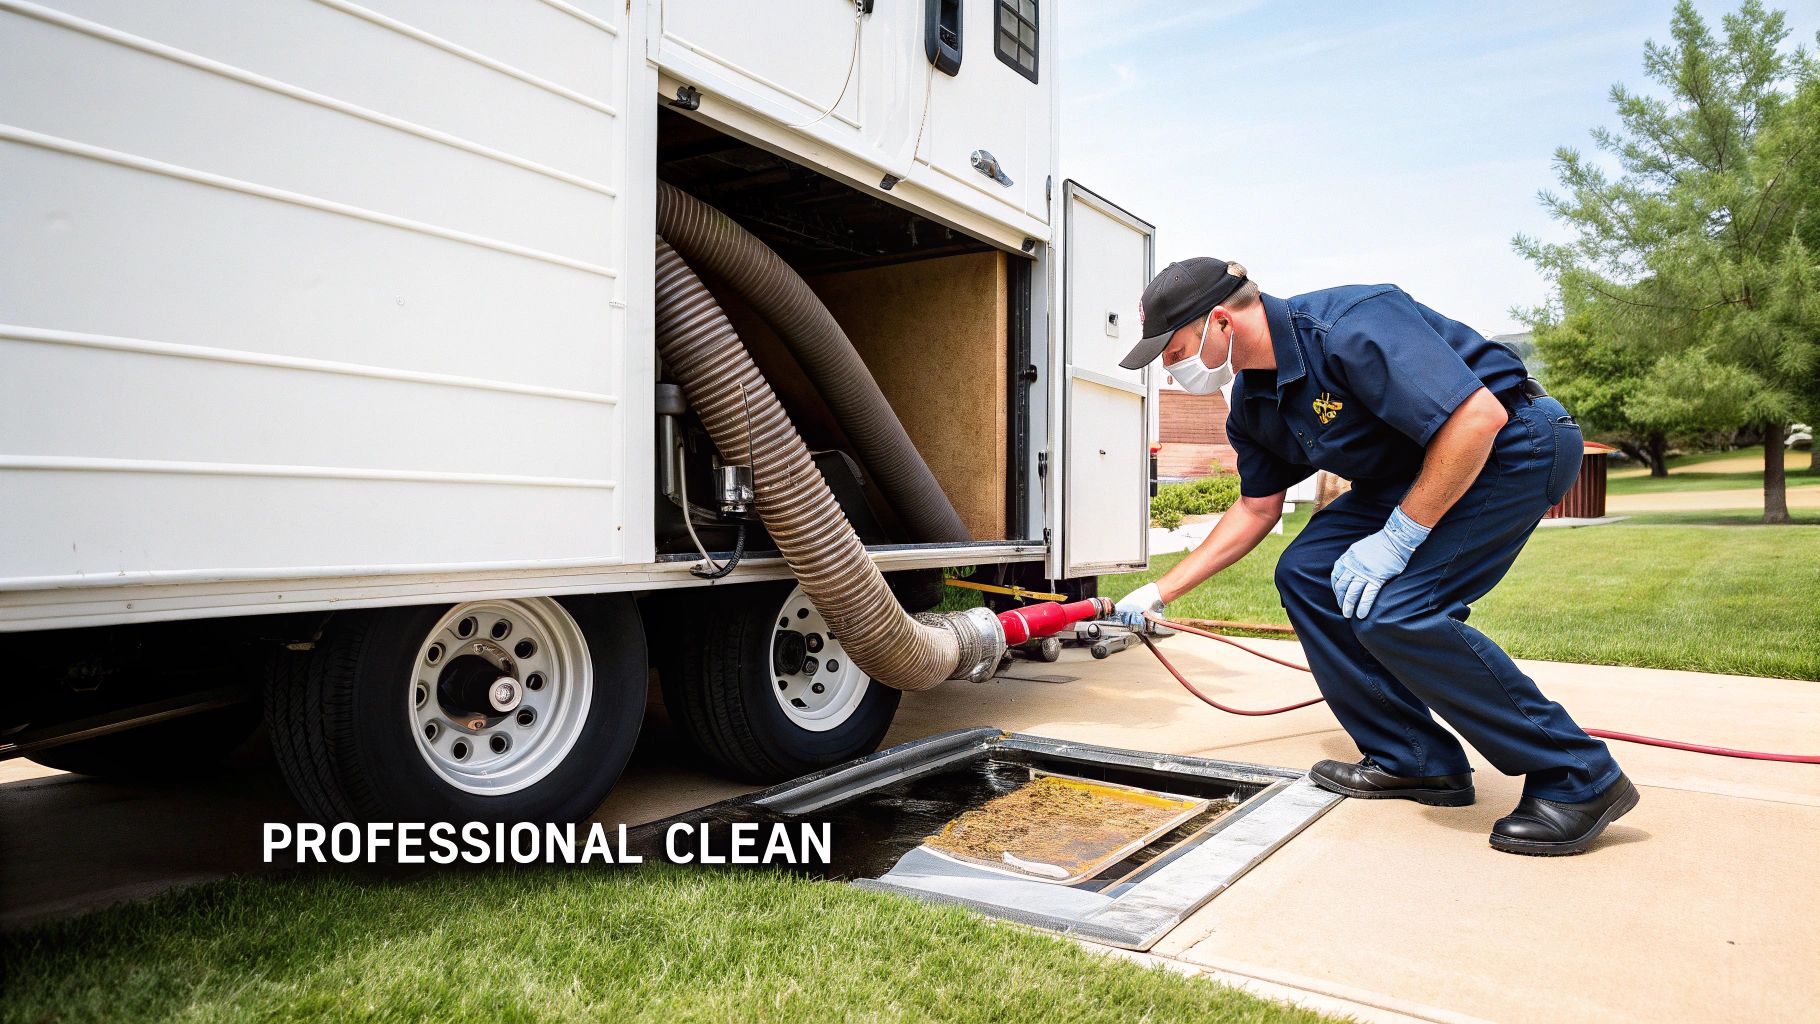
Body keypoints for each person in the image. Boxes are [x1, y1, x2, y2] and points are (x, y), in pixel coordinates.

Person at [1113, 258, 1636, 856]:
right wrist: (1160, 591)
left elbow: (1477, 416)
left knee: (1397, 610)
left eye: (1174, 351)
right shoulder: (1255, 404)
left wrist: (1397, 540)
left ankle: (1579, 776)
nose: (1173, 373)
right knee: (1305, 572)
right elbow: (1257, 510)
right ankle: (1414, 759)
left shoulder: (1348, 325)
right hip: (1414, 471)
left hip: (1511, 444)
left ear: (1220, 321)